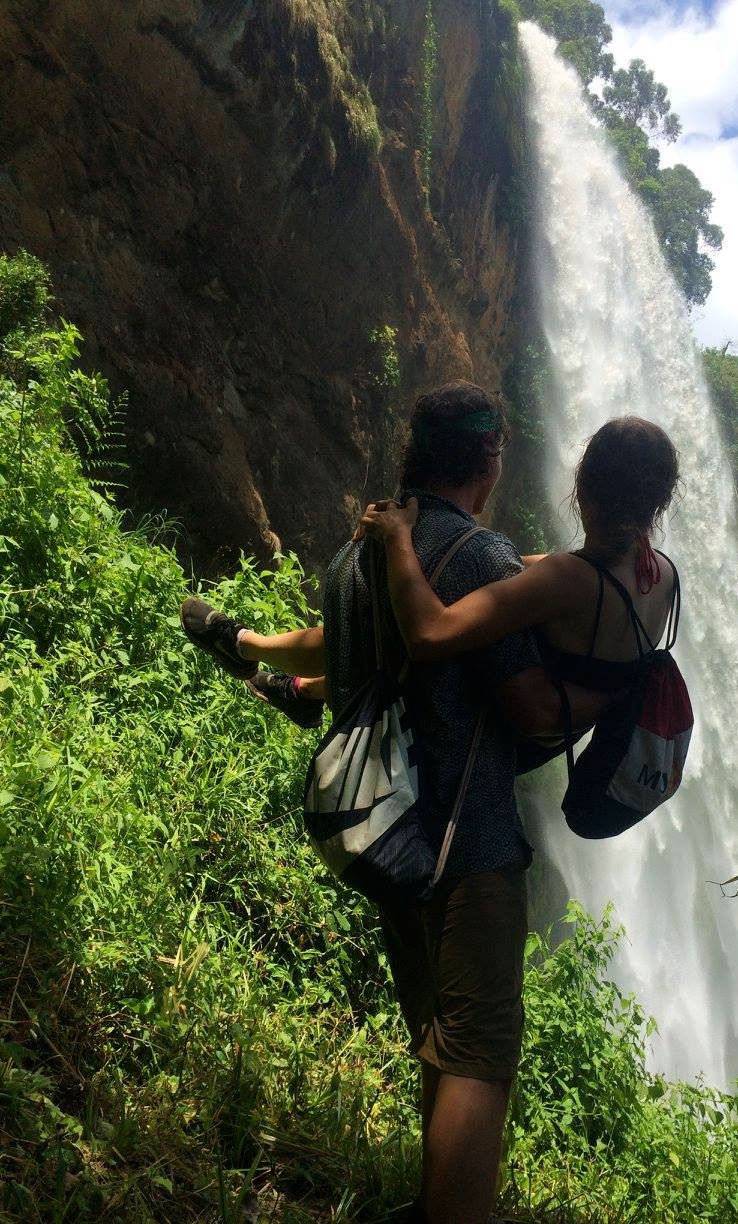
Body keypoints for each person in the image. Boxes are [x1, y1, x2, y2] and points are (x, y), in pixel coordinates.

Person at [181, 380, 609, 1224]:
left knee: (438, 1038)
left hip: (388, 837)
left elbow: (352, 666)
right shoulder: (482, 557)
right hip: (469, 841)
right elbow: (525, 706)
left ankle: (431, 1202)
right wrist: (615, 695)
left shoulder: (351, 561)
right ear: (486, 463)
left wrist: (280, 666)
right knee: (481, 1055)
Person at [359, 416, 682, 714]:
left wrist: (398, 536)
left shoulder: (564, 581)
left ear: (582, 486)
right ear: (661, 501)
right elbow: (552, 568)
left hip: (483, 755)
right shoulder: (663, 575)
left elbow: (427, 635)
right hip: (597, 756)